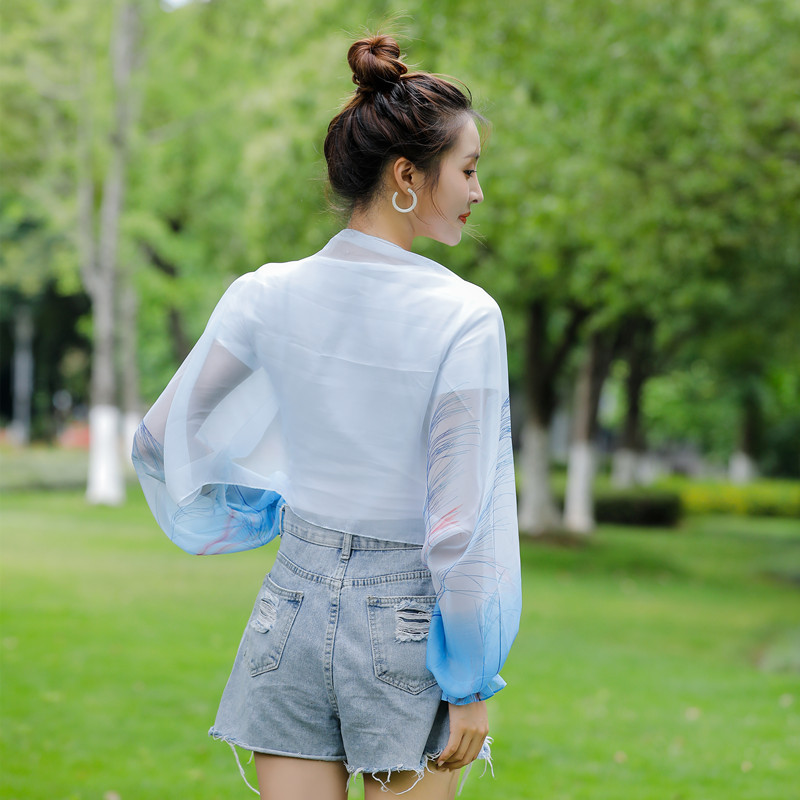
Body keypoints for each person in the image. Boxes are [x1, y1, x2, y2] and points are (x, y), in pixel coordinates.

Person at [132, 33, 521, 800]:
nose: (478, 192)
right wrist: (471, 680)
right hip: (408, 621)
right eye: (469, 169)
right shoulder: (465, 316)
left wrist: (268, 511)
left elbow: (158, 437)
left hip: (290, 604)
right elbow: (457, 524)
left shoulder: (264, 293)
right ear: (406, 175)